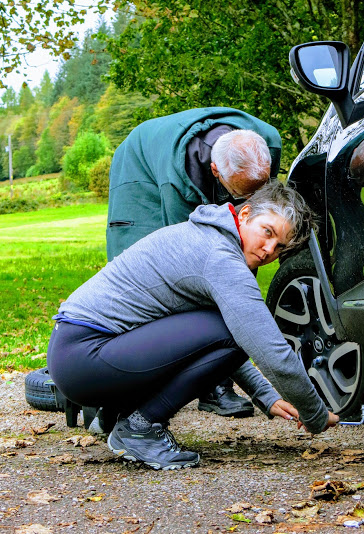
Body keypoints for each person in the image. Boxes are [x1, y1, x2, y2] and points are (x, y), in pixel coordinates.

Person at [48, 181, 339, 471]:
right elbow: (268, 349)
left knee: (229, 330)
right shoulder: (220, 257)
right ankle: (140, 428)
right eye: (268, 232)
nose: (268, 250)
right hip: (85, 357)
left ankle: (112, 416)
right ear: (246, 213)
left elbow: (208, 342)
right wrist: (314, 414)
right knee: (236, 332)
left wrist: (265, 396)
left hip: (77, 352)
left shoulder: (211, 236)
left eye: (280, 246)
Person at [106, 106, 282, 418]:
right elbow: (192, 270)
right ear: (217, 172)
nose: (250, 202)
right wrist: (262, 390)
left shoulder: (269, 142)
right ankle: (202, 385)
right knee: (165, 280)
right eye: (243, 194)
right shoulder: (178, 178)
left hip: (204, 167)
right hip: (141, 169)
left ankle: (213, 373)